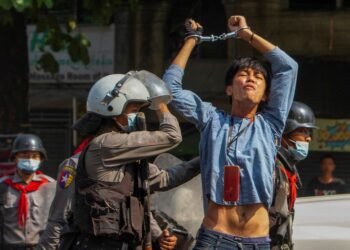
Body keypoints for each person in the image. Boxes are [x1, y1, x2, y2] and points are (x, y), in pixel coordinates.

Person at [163, 15, 298, 249]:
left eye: (258, 77)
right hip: (215, 238)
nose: (250, 79)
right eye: (243, 74)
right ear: (229, 88)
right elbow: (170, 88)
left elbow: (288, 66)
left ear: (266, 94)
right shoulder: (211, 119)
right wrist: (192, 40)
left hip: (258, 242)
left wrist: (247, 35)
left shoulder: (271, 124)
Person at [66, 71, 183, 250]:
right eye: (134, 110)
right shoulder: (107, 144)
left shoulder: (124, 154)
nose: (138, 116)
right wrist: (161, 105)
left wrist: (207, 159)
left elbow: (165, 178)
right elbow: (172, 136)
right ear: (114, 107)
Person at [38, 140, 200, 250]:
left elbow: (139, 205)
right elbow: (58, 218)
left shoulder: (134, 164)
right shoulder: (76, 165)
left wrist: (158, 237)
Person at [269, 101, 317, 250]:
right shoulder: (272, 168)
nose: (308, 138)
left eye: (309, 132)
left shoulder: (289, 169)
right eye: (303, 131)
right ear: (285, 131)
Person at [0, 134, 56, 249]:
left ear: (40, 159)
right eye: (24, 155)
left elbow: (58, 221)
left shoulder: (50, 186)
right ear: (14, 158)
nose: (30, 159)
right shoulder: (3, 186)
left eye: (35, 156)